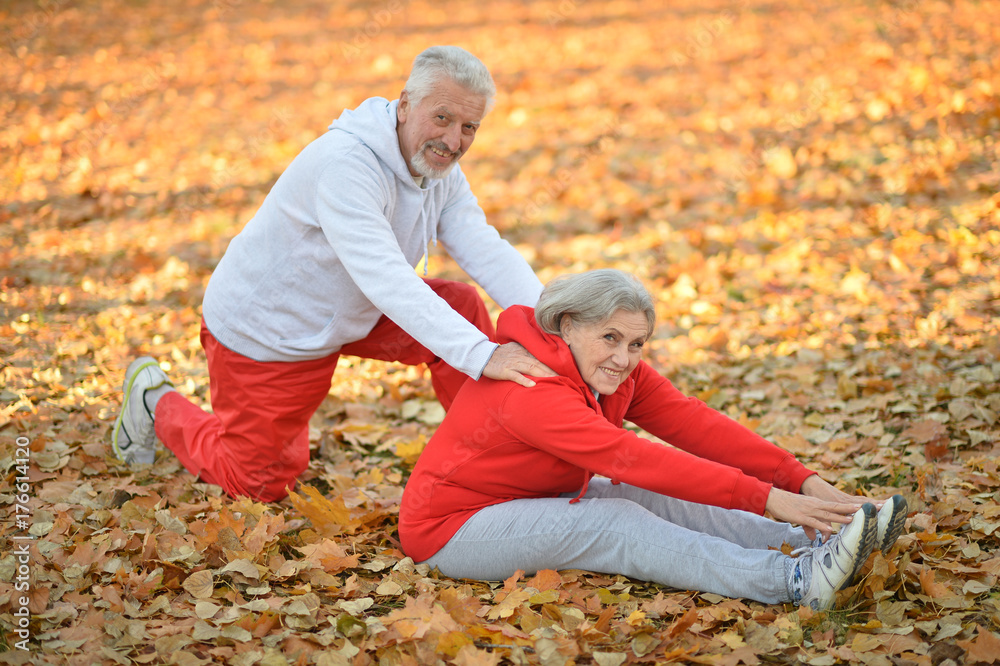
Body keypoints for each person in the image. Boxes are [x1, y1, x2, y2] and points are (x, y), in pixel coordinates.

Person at [110, 46, 556, 501]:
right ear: (405, 105)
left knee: (459, 306)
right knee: (259, 481)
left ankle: (494, 456)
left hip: (351, 308)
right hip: (274, 327)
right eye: (442, 118)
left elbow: (484, 247)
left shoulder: (437, 169)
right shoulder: (346, 166)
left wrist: (556, 324)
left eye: (469, 128)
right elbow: (386, 278)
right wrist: (482, 355)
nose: (454, 140)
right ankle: (155, 400)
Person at [399, 269, 908, 609]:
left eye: (637, 343)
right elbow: (633, 456)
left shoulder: (612, 370)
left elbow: (696, 425)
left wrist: (803, 482)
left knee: (644, 496)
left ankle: (819, 540)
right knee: (615, 520)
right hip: (452, 530)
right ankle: (791, 580)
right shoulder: (530, 386)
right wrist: (771, 499)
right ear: (569, 326)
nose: (624, 357)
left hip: (536, 499)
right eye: (611, 339)